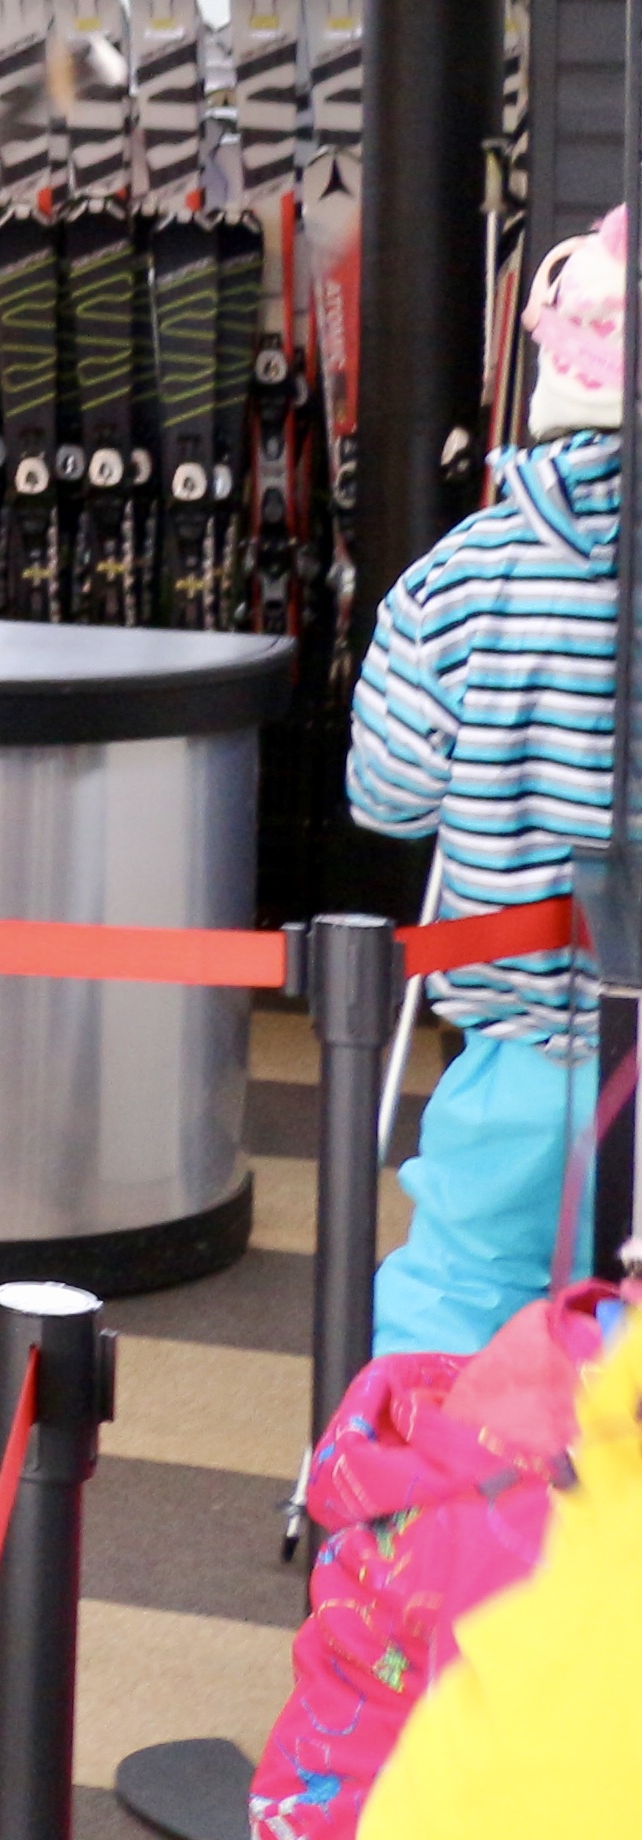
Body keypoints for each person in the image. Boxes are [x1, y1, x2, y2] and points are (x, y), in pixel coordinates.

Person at [343, 207, 625, 1358]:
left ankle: (414, 1470)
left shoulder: (456, 580)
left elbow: (389, 796)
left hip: (518, 1040)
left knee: (462, 1288)